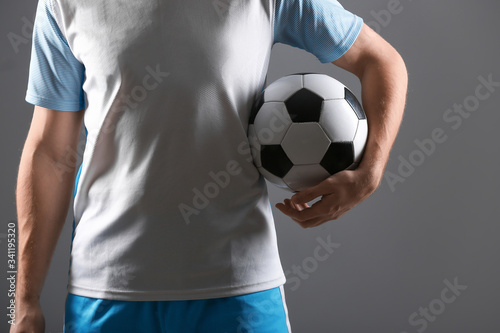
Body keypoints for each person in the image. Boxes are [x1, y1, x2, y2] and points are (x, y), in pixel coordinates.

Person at [11, 0, 407, 331]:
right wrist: (24, 300)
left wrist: (368, 174)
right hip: (103, 290)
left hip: (237, 286)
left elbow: (380, 60)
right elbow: (48, 151)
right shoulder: (62, 3)